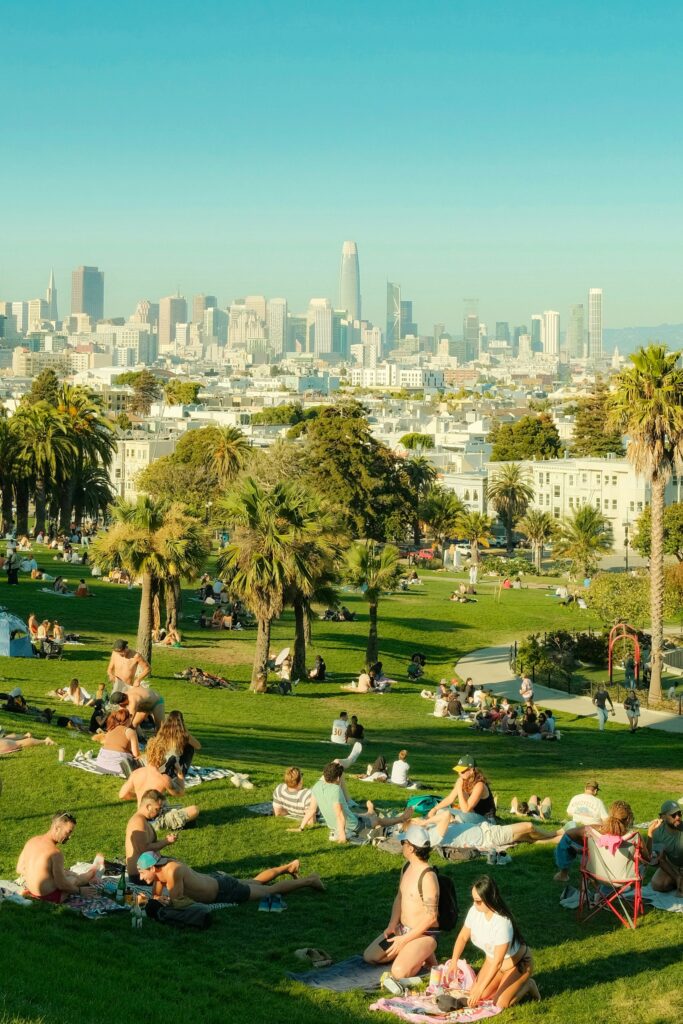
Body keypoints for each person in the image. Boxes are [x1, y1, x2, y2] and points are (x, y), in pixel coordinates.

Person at [363, 825, 439, 984]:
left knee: (398, 973)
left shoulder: (428, 877)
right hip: (402, 929)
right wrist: (392, 925)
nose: (401, 845)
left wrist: (404, 940)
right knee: (370, 956)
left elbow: (431, 917)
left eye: (403, 842)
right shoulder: (406, 867)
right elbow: (400, 897)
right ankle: (412, 953)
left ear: (411, 848)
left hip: (423, 934)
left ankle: (427, 951)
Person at [448, 876, 539, 1007]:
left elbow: (498, 963)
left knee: (500, 1003)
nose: (474, 904)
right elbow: (462, 937)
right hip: (492, 963)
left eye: (478, 901)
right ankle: (503, 986)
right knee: (476, 995)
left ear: (489, 899)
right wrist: (454, 961)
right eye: (473, 900)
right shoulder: (474, 911)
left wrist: (480, 989)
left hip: (518, 964)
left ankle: (528, 985)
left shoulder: (502, 922)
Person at [136, 850, 325, 909]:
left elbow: (177, 902)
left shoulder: (172, 871)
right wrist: (153, 899)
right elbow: (157, 897)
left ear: (152, 868)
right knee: (256, 882)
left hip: (223, 891)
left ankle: (309, 880)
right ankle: (289, 867)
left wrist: (152, 902)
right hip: (217, 881)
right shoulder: (159, 872)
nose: (141, 877)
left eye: (142, 872)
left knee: (269, 891)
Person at [298, 762, 412, 843]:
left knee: (359, 815)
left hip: (334, 824)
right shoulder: (335, 790)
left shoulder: (317, 786)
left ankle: (370, 810)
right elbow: (339, 815)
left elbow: (311, 809)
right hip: (352, 826)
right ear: (338, 778)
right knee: (377, 820)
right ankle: (402, 818)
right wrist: (342, 836)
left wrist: (301, 827)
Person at [118, 737, 200, 831]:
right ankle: (163, 825)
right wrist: (180, 773)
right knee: (194, 809)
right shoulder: (163, 778)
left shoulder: (136, 773)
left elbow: (122, 795)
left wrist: (138, 795)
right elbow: (180, 793)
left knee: (178, 807)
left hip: (142, 815)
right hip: (157, 819)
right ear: (162, 756)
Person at [16, 812, 97, 902]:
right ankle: (93, 872)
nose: (69, 837)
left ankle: (91, 873)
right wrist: (80, 891)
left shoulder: (32, 841)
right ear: (57, 828)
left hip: (31, 889)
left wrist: (36, 875)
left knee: (65, 873)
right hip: (49, 896)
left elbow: (19, 868)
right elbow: (61, 885)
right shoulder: (55, 853)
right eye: (68, 832)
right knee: (73, 879)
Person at [554, 801, 635, 883]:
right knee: (567, 852)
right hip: (571, 839)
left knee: (593, 849)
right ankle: (563, 874)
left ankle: (583, 875)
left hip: (584, 842)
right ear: (628, 819)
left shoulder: (597, 829)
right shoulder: (630, 836)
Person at [125, 789, 177, 882]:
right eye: (157, 809)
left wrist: (166, 840)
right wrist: (166, 842)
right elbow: (143, 848)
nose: (159, 812)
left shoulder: (142, 820)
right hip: (141, 875)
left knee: (178, 866)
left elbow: (148, 844)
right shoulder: (138, 821)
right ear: (148, 807)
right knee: (178, 870)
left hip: (148, 867)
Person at [427, 756, 495, 824]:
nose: (459, 773)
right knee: (441, 811)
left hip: (486, 819)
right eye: (458, 771)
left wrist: (459, 788)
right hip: (470, 814)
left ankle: (452, 823)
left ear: (471, 770)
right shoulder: (464, 780)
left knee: (460, 817)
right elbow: (450, 799)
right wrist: (434, 809)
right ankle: (451, 822)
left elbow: (466, 810)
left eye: (462, 771)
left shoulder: (480, 785)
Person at [648, 800, 683, 895]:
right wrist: (676, 877)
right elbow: (660, 859)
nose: (678, 817)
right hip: (671, 865)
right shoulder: (658, 833)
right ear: (662, 817)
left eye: (679, 814)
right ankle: (678, 882)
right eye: (673, 815)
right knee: (658, 884)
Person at [92, 707, 140, 774]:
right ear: (127, 719)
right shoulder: (130, 732)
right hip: (120, 768)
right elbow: (136, 755)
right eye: (130, 716)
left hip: (100, 765)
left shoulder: (110, 730)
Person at [155, 710, 201, 778]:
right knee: (190, 747)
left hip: (160, 767)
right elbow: (198, 746)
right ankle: (183, 770)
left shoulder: (162, 732)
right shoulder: (183, 735)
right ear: (182, 722)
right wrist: (185, 729)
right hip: (173, 770)